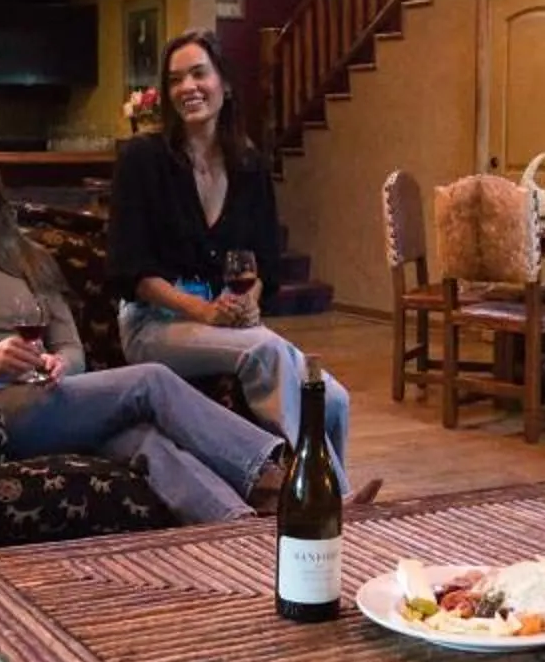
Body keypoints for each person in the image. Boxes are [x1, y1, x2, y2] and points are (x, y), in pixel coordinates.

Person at [0, 139, 291, 523]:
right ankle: (271, 475)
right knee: (151, 381)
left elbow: (72, 348)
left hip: (54, 400)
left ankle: (234, 523)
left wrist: (62, 365)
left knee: (144, 441)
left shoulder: (29, 260)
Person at [109, 29, 367, 486]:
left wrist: (250, 301)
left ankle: (333, 511)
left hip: (222, 319)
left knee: (334, 398)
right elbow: (132, 269)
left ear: (224, 83)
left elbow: (264, 260)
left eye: (197, 74)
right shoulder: (142, 159)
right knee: (265, 351)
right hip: (155, 322)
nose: (187, 87)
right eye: (175, 80)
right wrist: (202, 310)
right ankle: (329, 495)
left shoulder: (248, 164)